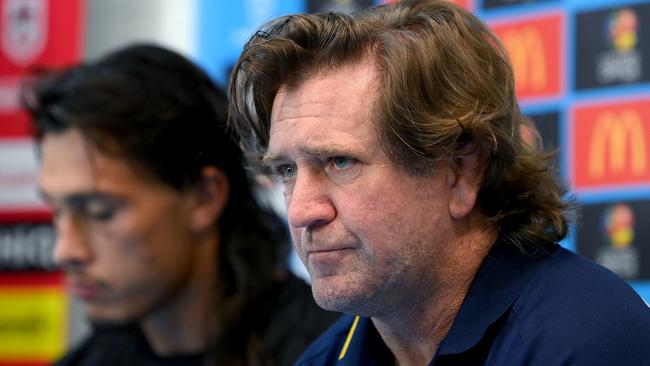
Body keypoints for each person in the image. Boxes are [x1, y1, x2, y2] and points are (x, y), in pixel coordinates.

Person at [227, 1, 650, 365]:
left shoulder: (586, 342)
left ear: (461, 173)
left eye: (340, 162)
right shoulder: (325, 357)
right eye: (286, 170)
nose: (301, 211)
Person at [22, 44, 339, 366]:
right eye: (57, 212)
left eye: (98, 212)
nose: (65, 251)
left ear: (204, 197)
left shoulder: (340, 352)